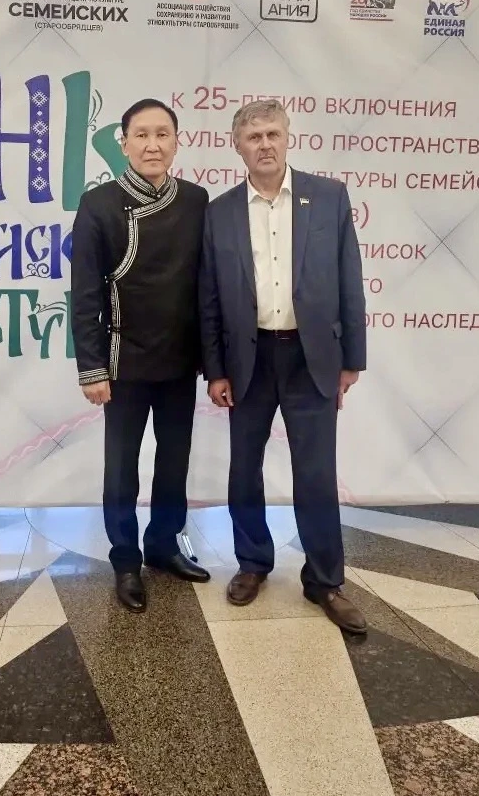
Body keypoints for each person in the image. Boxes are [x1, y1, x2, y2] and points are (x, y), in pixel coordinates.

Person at [199, 99, 367, 634]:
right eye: (254, 137)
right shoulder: (219, 212)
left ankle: (325, 580)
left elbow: (349, 279)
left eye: (273, 133)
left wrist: (352, 360)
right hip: (247, 359)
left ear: (288, 137)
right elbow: (209, 297)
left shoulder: (329, 197)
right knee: (244, 468)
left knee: (315, 472)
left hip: (311, 357)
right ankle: (252, 563)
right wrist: (215, 370)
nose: (265, 144)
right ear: (238, 147)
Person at [71, 98, 211, 612]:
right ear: (124, 143)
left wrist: (213, 362)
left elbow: (207, 287)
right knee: (122, 469)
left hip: (180, 360)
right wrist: (92, 368)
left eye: (163, 134)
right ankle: (126, 560)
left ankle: (164, 545)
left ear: (176, 142)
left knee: (174, 462)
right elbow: (85, 292)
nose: (153, 145)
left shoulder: (196, 200)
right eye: (142, 135)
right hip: (122, 362)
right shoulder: (99, 204)